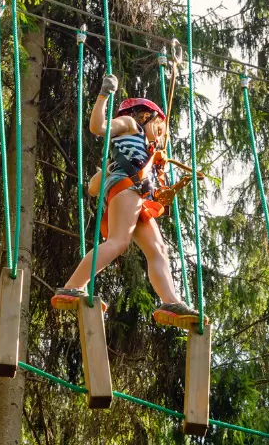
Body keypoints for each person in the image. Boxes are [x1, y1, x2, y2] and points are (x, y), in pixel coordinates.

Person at [51, 73, 202, 329]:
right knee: (119, 242)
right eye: (159, 127)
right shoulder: (130, 124)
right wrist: (104, 95)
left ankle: (171, 301)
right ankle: (72, 287)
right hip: (127, 192)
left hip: (137, 198)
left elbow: (93, 188)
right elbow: (98, 127)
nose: (160, 135)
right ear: (146, 117)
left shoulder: (145, 152)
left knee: (158, 250)